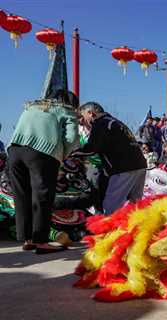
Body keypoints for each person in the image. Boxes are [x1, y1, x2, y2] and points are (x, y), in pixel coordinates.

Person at [8, 89, 79, 254]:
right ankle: (41, 242)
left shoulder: (31, 107)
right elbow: (72, 138)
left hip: (15, 151)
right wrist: (61, 156)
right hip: (42, 153)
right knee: (42, 198)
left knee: (22, 195)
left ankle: (28, 239)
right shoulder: (65, 110)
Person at [75, 102, 147, 214]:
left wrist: (72, 153)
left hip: (123, 168)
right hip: (140, 165)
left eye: (81, 117)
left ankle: (110, 230)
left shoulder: (101, 123)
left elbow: (91, 148)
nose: (81, 122)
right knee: (136, 205)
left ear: (90, 113)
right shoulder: (115, 122)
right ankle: (138, 228)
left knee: (110, 207)